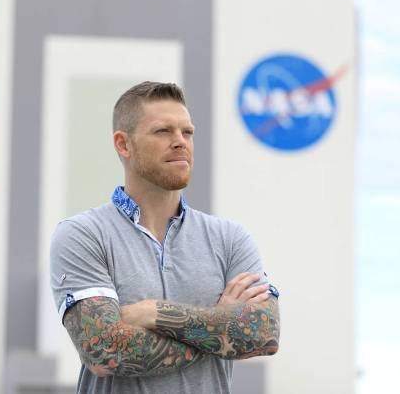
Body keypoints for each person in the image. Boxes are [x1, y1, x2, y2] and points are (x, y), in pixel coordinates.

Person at [50, 81, 280, 394]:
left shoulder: (230, 239)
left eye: (187, 132)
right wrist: (221, 328)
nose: (180, 142)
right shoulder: (83, 235)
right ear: (123, 145)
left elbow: (263, 334)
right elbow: (104, 350)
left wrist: (154, 313)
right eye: (163, 131)